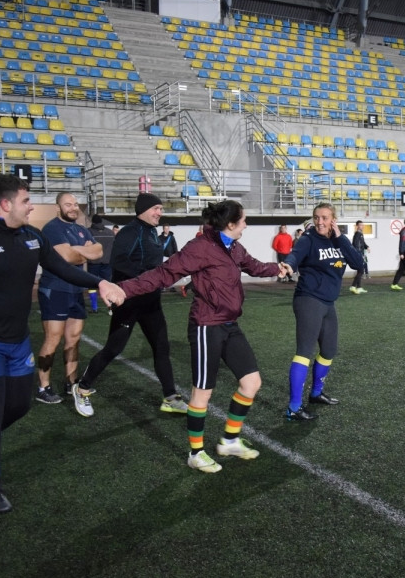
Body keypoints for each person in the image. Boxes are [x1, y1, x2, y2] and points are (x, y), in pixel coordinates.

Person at [0, 174, 124, 513]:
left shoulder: (32, 236)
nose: (31, 206)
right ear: (6, 204)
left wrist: (99, 283)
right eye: (26, 201)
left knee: (19, 406)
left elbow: (62, 268)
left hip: (17, 339)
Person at [118, 200, 289, 472]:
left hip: (230, 325)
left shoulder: (234, 247)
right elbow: (164, 274)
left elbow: (253, 265)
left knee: (251, 383)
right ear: (230, 224)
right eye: (243, 220)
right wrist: (124, 289)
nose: (246, 224)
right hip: (206, 326)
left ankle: (229, 441)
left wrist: (277, 268)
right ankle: (196, 454)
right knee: (202, 393)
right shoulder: (200, 247)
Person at [71, 193, 188, 418]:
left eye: (161, 209)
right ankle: (82, 387)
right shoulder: (130, 232)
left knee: (161, 347)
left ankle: (170, 397)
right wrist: (144, 279)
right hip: (129, 300)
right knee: (114, 348)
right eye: (156, 208)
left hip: (150, 300)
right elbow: (119, 261)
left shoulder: (152, 232)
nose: (160, 213)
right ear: (143, 209)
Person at [279, 203, 364, 421]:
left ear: (333, 220)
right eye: (316, 217)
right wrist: (288, 265)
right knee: (304, 352)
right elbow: (294, 255)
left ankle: (316, 394)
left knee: (328, 350)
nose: (319, 222)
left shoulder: (339, 241)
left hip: (328, 302)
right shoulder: (308, 239)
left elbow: (358, 263)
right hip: (308, 299)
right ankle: (294, 407)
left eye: (325, 218)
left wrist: (340, 237)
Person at [34, 192, 102, 405]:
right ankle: (43, 387)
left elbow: (98, 251)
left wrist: (78, 251)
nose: (73, 208)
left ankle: (71, 383)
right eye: (67, 204)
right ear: (58, 207)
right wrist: (84, 252)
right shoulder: (52, 229)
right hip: (55, 290)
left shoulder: (82, 229)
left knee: (74, 339)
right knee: (53, 339)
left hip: (75, 290)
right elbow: (67, 257)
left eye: (75, 204)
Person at [87, 214, 115, 312]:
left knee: (92, 285)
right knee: (108, 285)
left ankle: (94, 307)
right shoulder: (110, 233)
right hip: (107, 262)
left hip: (93, 262)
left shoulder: (89, 232)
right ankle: (110, 307)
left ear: (93, 222)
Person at [349, 220, 369, 294]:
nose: (362, 226)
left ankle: (359, 287)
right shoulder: (357, 234)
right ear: (357, 226)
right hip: (359, 254)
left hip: (360, 254)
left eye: (363, 225)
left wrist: (367, 247)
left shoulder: (360, 234)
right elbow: (355, 244)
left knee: (360, 270)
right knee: (361, 270)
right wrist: (358, 254)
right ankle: (353, 286)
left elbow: (362, 243)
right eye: (361, 225)